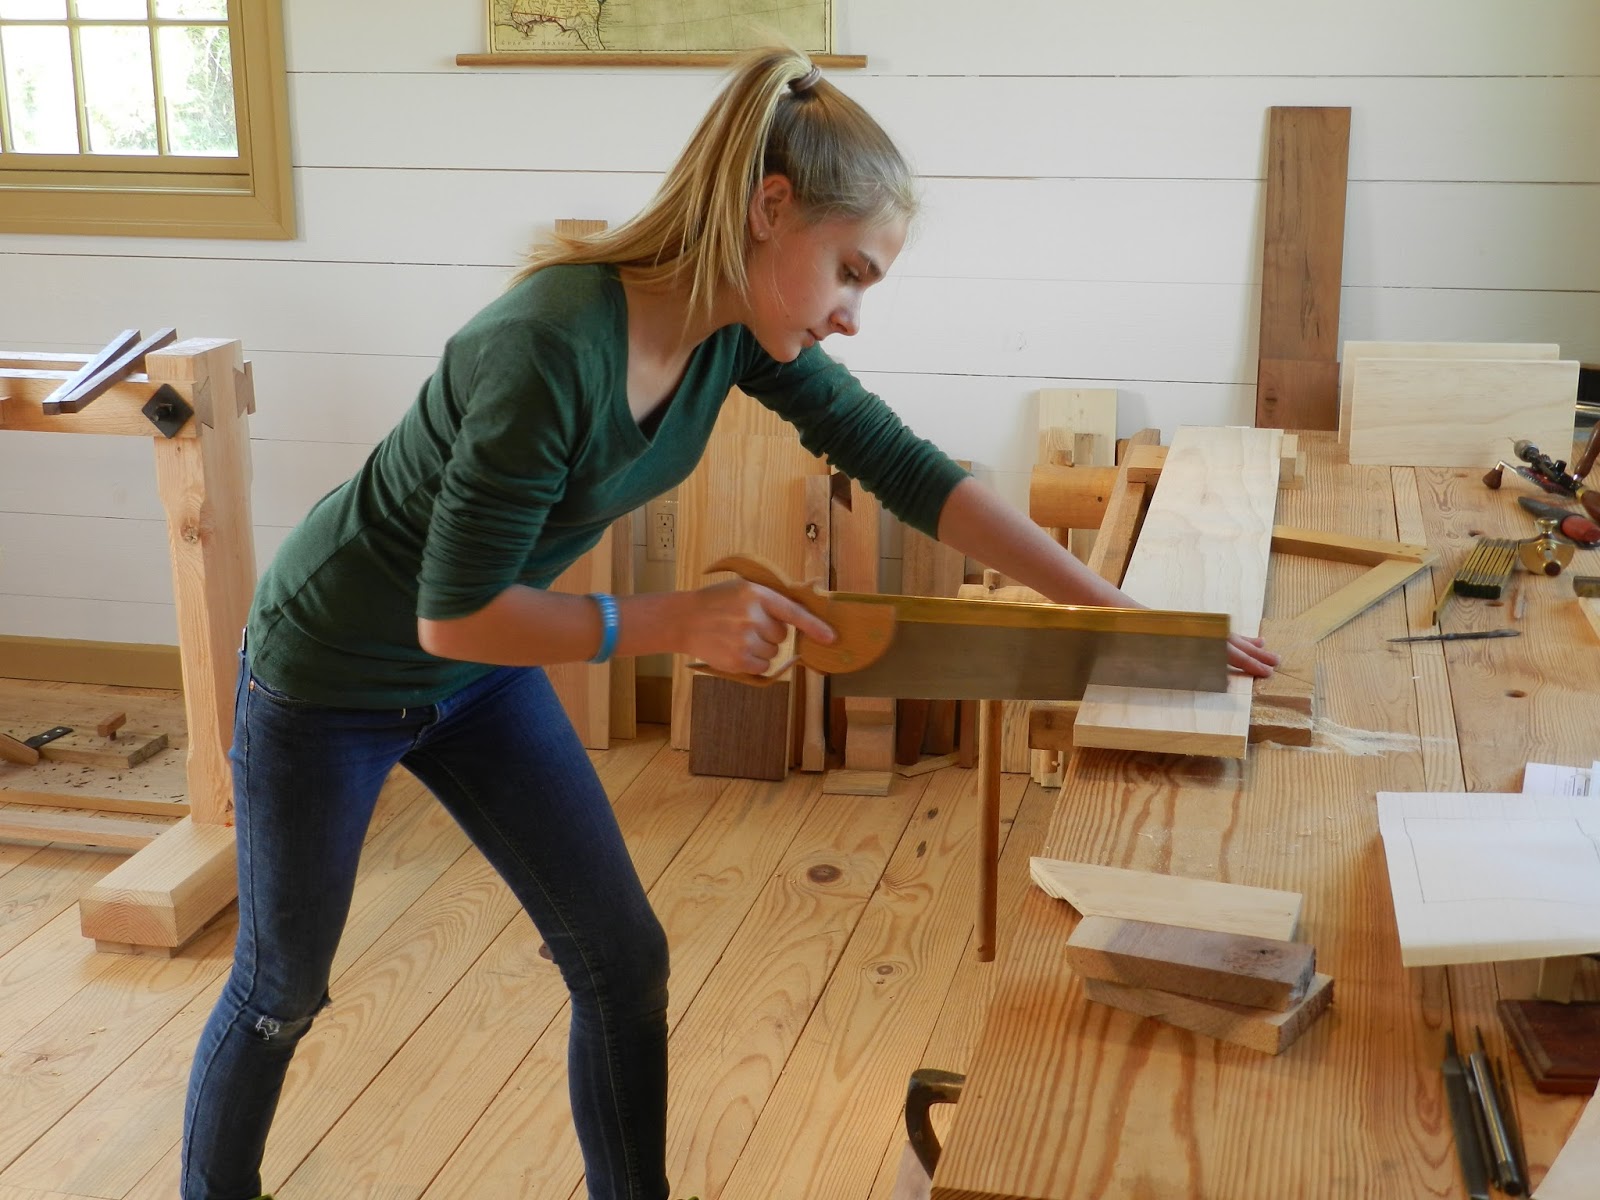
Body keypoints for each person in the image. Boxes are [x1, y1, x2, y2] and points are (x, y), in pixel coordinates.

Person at [179, 46, 1278, 1200]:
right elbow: (451, 616)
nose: (852, 315)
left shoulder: (739, 337)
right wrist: (673, 620)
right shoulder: (546, 348)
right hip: (332, 670)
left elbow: (907, 469)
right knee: (280, 993)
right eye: (849, 271)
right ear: (769, 209)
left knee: (621, 962)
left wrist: (1117, 610)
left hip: (481, 670)